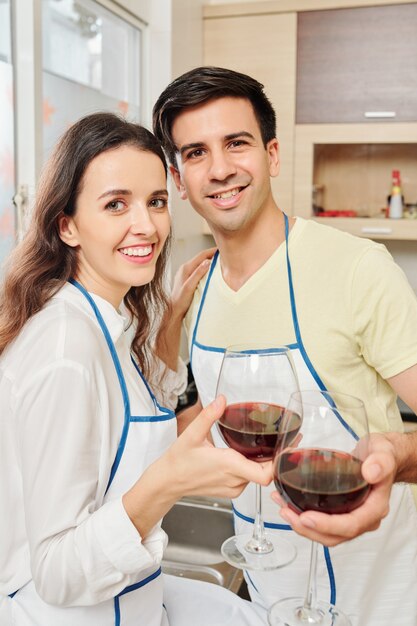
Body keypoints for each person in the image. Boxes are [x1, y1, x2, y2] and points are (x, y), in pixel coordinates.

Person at [153, 66, 417, 626]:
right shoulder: (195, 291)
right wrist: (164, 333)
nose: (220, 168)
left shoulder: (356, 269)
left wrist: (398, 456)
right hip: (269, 590)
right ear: (179, 179)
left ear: (272, 155)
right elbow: (200, 431)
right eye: (196, 153)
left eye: (237, 143)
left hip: (378, 598)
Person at [0, 112, 272, 626]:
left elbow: (130, 413)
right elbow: (57, 571)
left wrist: (169, 320)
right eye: (116, 205)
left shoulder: (104, 317)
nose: (146, 225)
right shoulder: (64, 352)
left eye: (156, 202)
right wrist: (168, 481)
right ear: (68, 226)